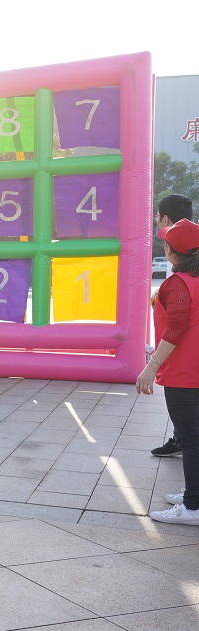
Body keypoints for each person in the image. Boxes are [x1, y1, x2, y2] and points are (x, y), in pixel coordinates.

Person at [136, 218, 199, 526]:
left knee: (190, 438)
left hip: (184, 372)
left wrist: (151, 366)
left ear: (172, 252)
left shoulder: (178, 284)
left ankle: (193, 507)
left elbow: (175, 329)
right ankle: (194, 494)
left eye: (166, 243)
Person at [150, 194, 194, 458]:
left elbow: (177, 324)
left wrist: (152, 366)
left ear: (164, 218)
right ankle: (181, 437)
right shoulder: (191, 246)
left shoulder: (177, 253)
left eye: (157, 216)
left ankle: (183, 439)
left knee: (191, 433)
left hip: (183, 360)